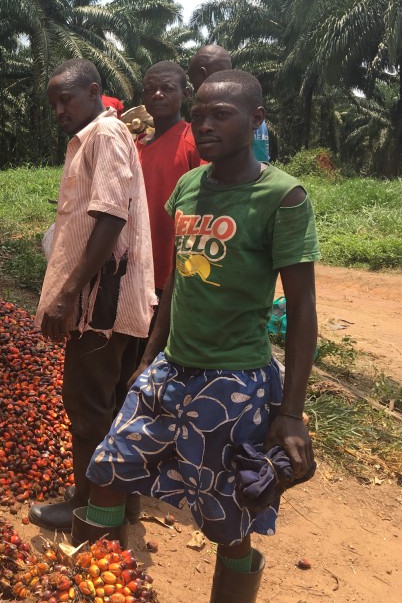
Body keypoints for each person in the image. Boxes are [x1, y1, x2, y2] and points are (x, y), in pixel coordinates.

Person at [77, 70, 320, 603]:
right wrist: (149, 356)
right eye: (200, 114)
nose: (204, 125)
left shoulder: (282, 197)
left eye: (221, 115)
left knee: (228, 514)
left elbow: (302, 310)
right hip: (171, 366)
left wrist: (293, 412)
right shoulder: (191, 185)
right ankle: (102, 587)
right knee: (109, 465)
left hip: (233, 379)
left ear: (256, 120)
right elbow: (176, 280)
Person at [28, 58, 155, 532]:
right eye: (53, 103)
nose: (59, 110)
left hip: (101, 299)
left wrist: (67, 294)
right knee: (110, 402)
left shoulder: (104, 135)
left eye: (67, 99)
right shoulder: (99, 137)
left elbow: (110, 218)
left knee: (86, 406)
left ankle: (85, 506)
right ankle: (116, 499)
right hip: (110, 295)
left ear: (95, 91)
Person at [138, 60, 204, 296]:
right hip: (137, 264)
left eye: (167, 88)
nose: (157, 95)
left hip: (175, 268)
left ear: (185, 94)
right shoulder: (135, 146)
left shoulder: (194, 142)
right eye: (149, 90)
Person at [188, 44, 270, 162]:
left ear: (203, 74)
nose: (204, 127)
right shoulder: (247, 108)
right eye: (195, 116)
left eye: (221, 114)